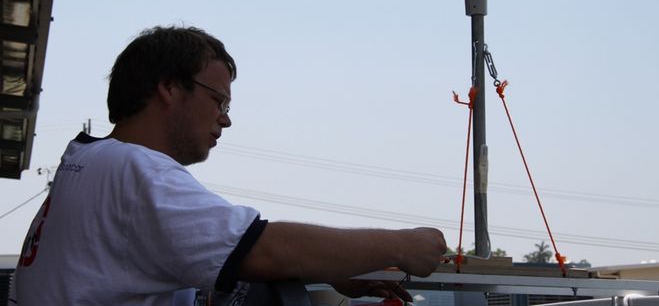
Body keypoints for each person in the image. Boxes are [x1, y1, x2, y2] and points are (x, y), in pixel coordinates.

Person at [10, 26, 447, 305]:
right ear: (168, 88)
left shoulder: (89, 161)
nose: (225, 117)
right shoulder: (133, 170)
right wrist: (403, 245)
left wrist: (335, 272)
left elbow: (215, 261)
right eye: (217, 99)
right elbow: (264, 248)